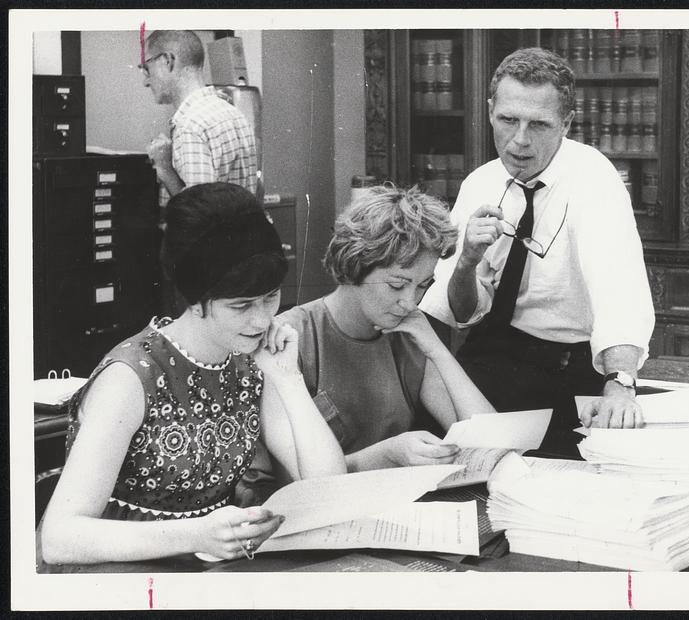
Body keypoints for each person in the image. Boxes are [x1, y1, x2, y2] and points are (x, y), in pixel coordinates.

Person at [40, 183, 346, 565]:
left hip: (205, 567)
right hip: (115, 574)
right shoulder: (131, 377)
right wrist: (196, 533)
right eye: (241, 305)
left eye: (270, 296)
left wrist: (289, 380)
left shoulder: (251, 359)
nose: (263, 318)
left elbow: (330, 492)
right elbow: (58, 537)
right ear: (196, 301)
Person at [418, 47, 655, 447]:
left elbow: (620, 290)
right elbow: (459, 313)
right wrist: (465, 264)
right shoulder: (479, 181)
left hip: (568, 364)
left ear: (566, 123)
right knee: (442, 453)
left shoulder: (594, 178)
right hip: (493, 354)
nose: (519, 141)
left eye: (539, 125)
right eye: (508, 120)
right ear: (491, 109)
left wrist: (619, 384)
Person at [278, 185, 496, 472]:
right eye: (396, 284)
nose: (410, 302)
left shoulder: (409, 333)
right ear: (354, 265)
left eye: (422, 285)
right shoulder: (292, 336)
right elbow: (291, 481)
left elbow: (489, 442)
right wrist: (385, 455)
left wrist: (437, 350)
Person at [140, 29, 258, 316]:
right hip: (240, 258)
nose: (145, 80)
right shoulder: (231, 112)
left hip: (204, 270)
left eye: (146, 68)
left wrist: (164, 167)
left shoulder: (191, 124)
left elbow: (200, 215)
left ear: (168, 61)